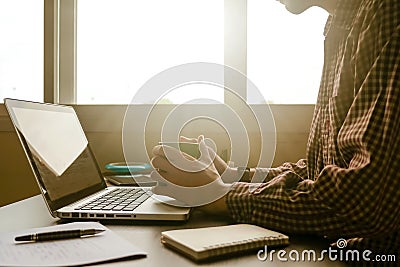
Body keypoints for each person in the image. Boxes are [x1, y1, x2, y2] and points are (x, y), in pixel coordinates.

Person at [151, 0, 399, 261]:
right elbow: (323, 168)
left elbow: (364, 203)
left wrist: (222, 195)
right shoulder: (342, 25)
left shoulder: (387, 14)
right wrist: (234, 175)